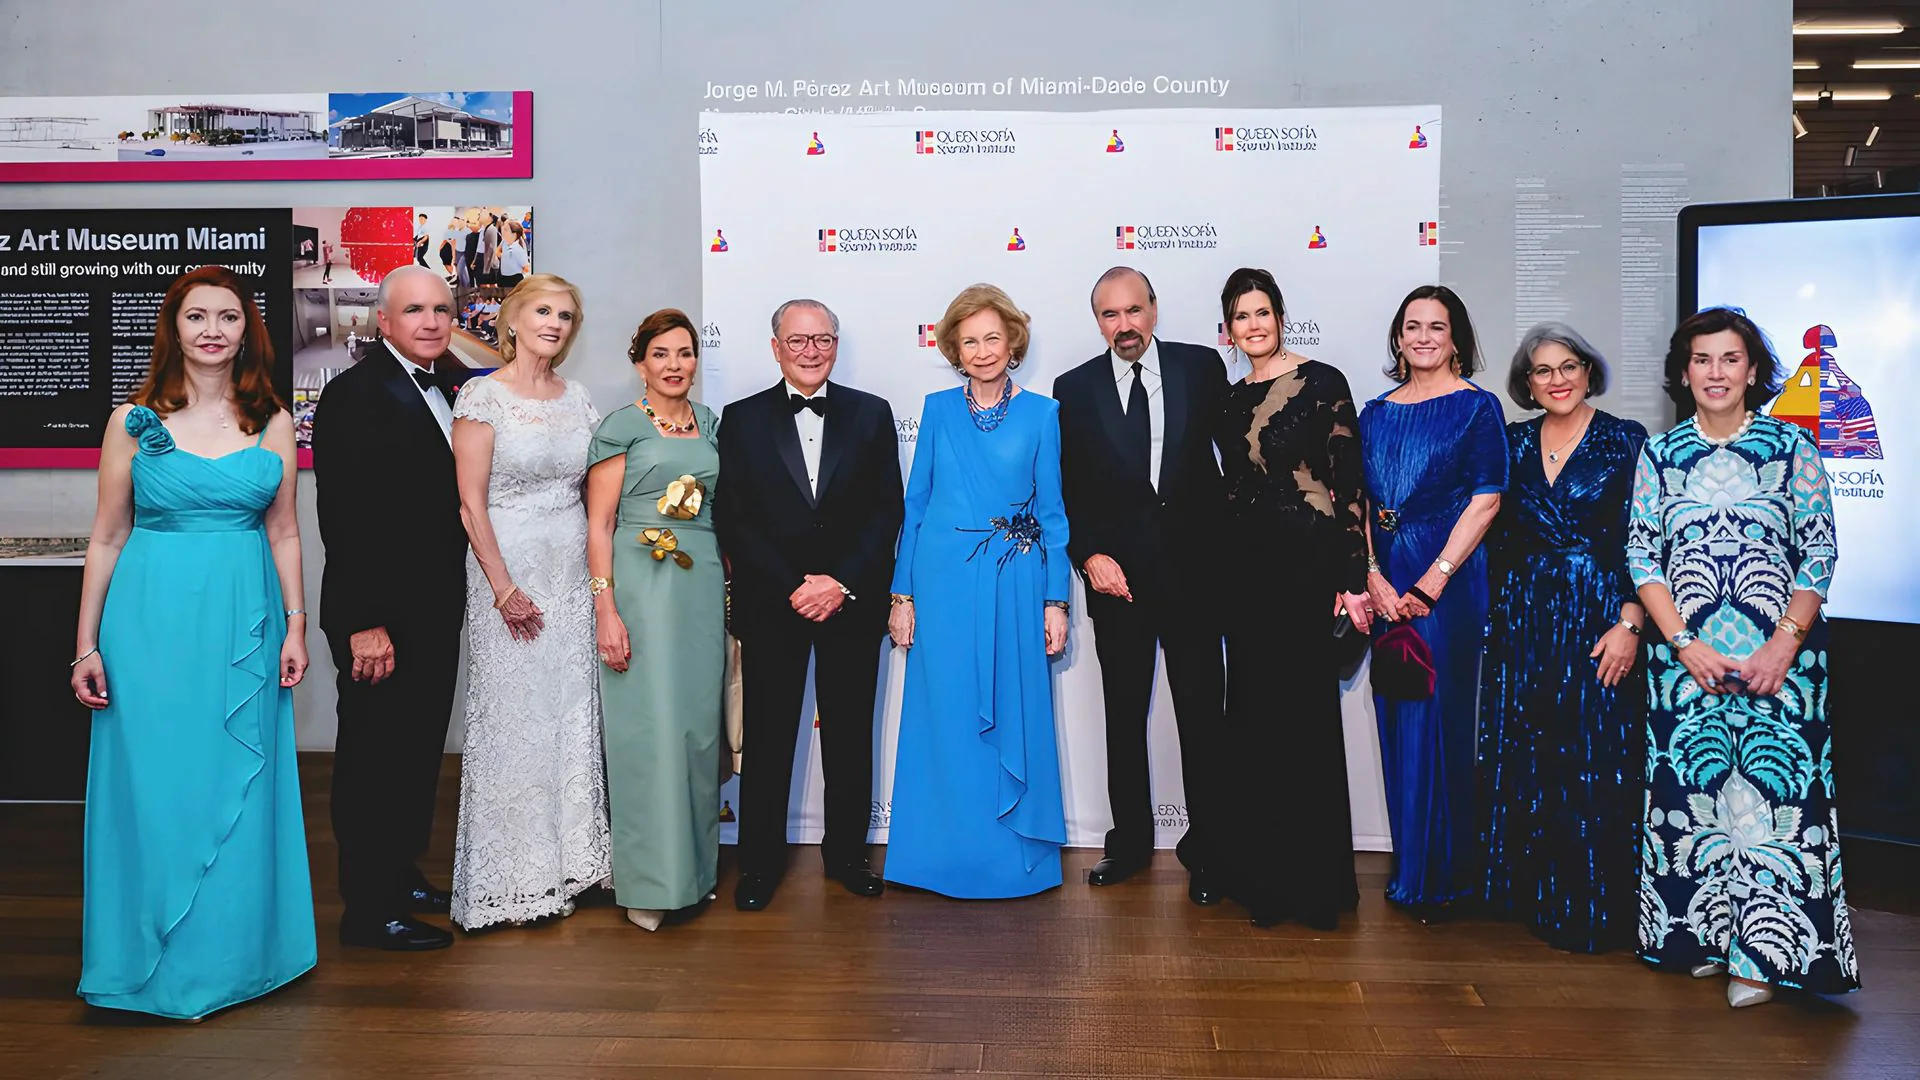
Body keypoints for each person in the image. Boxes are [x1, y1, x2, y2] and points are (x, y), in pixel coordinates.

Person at [69, 266, 315, 1019]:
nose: (213, 330)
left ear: (247, 331)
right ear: (173, 328)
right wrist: (86, 644)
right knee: (155, 783)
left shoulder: (273, 419)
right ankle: (147, 954)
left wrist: (297, 623)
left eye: (228, 317)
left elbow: (284, 532)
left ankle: (236, 957)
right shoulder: (132, 420)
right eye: (197, 316)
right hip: (148, 626)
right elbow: (107, 536)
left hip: (244, 624)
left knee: (236, 777)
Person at [1628, 307, 1857, 1007]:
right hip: (1684, 662)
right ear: (1684, 372)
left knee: (1774, 801)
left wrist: (1783, 643)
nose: (1716, 372)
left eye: (1730, 359)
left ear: (1753, 370)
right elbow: (1642, 556)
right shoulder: (1660, 454)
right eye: (1702, 360)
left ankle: (1762, 958)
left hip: (1780, 662)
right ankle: (1705, 936)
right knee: (1695, 798)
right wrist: (1684, 644)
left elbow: (1820, 550)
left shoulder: (1792, 446)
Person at [715, 299, 903, 911]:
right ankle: (759, 865)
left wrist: (839, 583)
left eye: (822, 339)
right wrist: (794, 585)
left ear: (836, 346)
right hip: (774, 605)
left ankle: (847, 856)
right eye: (797, 341)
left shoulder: (872, 413)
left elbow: (886, 511)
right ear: (776, 348)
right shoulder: (741, 418)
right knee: (769, 739)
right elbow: (734, 518)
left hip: (850, 603)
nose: (810, 351)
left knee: (849, 737)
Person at [886, 283, 1070, 899]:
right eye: (970, 342)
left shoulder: (1043, 414)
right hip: (941, 587)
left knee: (1011, 714)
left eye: (993, 338)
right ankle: (936, 859)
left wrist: (1055, 600)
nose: (984, 351)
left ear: (1013, 341)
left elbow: (1053, 515)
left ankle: (1008, 863)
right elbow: (915, 507)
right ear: (954, 350)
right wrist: (902, 595)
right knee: (946, 720)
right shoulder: (937, 410)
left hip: (1014, 586)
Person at [1052, 266, 1228, 901]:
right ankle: (1127, 843)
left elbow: (1235, 463)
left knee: (1202, 719)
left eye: (1133, 310)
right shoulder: (1073, 388)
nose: (1124, 325)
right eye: (1110, 314)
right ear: (1097, 321)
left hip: (1194, 579)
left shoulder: (1200, 367)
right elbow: (1065, 487)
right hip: (1116, 584)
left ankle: (1211, 851)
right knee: (1122, 719)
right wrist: (1088, 555)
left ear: (1154, 308)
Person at [312, 264, 472, 951]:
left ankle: (401, 876)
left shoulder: (451, 384)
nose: (431, 322)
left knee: (415, 751)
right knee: (373, 760)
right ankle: (368, 911)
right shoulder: (354, 395)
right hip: (378, 617)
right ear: (383, 321)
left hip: (433, 607)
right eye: (414, 310)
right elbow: (344, 520)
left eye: (441, 309)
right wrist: (363, 623)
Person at [447, 274, 611, 930]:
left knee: (571, 710)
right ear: (513, 320)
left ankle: (577, 860)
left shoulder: (579, 397)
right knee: (515, 714)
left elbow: (596, 492)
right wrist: (504, 589)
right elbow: (470, 505)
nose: (554, 324)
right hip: (508, 572)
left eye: (566, 316)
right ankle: (517, 874)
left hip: (571, 572)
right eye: (543, 311)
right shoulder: (481, 396)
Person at [1478, 322, 1648, 953]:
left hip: (1600, 616)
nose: (1557, 380)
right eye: (1543, 371)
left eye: (1568, 366)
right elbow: (1494, 534)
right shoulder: (1514, 441)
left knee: (1594, 755)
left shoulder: (1625, 440)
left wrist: (1630, 622)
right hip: (1524, 619)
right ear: (1528, 383)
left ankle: (1592, 905)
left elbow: (1646, 539)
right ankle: (1528, 897)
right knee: (1530, 752)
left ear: (1588, 371)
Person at [1210, 267, 1369, 929]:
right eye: (1241, 316)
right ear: (1228, 329)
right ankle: (1266, 883)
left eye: (1263, 313)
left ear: (1280, 316)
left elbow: (1349, 484)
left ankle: (1316, 887)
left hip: (1309, 570)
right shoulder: (1228, 400)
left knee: (1307, 723)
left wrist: (1353, 578)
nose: (1254, 326)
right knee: (1256, 723)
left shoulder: (1323, 382)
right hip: (1245, 576)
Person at [1358, 285, 1506, 918]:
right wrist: (1372, 575)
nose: (1423, 337)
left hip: (1448, 581)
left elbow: (1487, 500)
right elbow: (1361, 503)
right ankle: (1410, 865)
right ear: (1398, 337)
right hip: (1388, 579)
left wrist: (1435, 579)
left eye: (1436, 327)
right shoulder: (1374, 412)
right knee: (1396, 712)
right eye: (1412, 326)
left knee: (1438, 717)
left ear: (1455, 339)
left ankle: (1442, 875)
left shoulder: (1477, 408)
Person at [587, 309, 725, 931]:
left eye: (685, 352)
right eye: (661, 354)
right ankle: (649, 883)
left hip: (699, 583)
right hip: (640, 585)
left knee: (696, 733)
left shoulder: (712, 424)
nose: (675, 365)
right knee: (648, 731)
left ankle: (694, 873)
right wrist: (606, 608)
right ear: (639, 362)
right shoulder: (621, 426)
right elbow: (599, 525)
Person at [496, 221, 529, 289]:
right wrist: (505, 257)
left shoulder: (518, 248)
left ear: (514, 234)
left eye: (506, 230)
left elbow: (526, 268)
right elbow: (497, 251)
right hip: (502, 276)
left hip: (514, 279)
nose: (502, 231)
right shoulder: (504, 241)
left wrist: (515, 269)